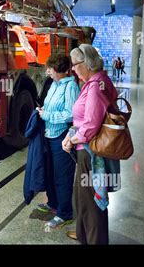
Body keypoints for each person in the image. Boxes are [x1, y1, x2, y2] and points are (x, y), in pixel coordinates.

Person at [62, 44, 118, 244]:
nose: (74, 70)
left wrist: (71, 139)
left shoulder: (95, 86)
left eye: (76, 65)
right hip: (88, 150)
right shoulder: (98, 81)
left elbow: (90, 127)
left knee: (91, 202)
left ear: (87, 64)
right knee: (83, 198)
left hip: (90, 153)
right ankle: (84, 234)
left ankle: (95, 239)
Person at [36, 54, 80, 228]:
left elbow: (71, 114)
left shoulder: (70, 87)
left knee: (63, 177)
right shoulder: (55, 84)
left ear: (59, 70)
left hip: (62, 137)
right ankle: (53, 204)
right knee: (51, 173)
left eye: (50, 68)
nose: (47, 71)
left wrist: (47, 115)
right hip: (49, 135)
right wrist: (43, 109)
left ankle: (65, 213)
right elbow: (51, 105)